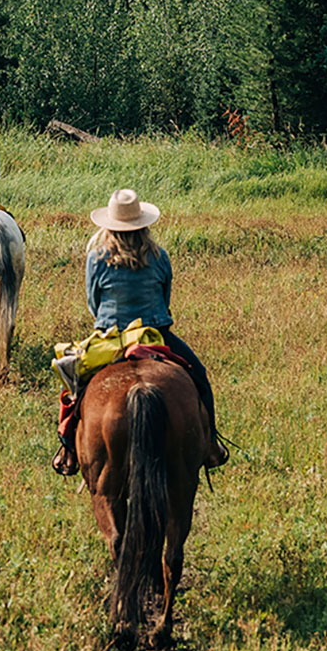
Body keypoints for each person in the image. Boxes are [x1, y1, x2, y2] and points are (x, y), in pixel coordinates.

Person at [55, 187, 228, 475]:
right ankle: (210, 442)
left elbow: (93, 303)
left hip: (111, 337)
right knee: (199, 376)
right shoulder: (159, 256)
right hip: (155, 334)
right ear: (143, 224)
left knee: (71, 383)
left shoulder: (97, 258)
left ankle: (68, 448)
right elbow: (165, 296)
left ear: (109, 225)